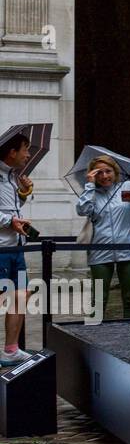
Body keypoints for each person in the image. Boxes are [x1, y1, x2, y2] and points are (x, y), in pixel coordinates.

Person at [77, 155, 130, 319]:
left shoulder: (127, 188)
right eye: (99, 172)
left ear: (115, 171)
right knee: (99, 300)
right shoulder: (92, 193)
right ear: (93, 175)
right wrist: (89, 185)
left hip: (128, 250)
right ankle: (94, 335)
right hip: (100, 251)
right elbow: (82, 210)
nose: (104, 176)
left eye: (108, 171)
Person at [0, 133, 34, 366]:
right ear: (12, 152)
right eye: (25, 149)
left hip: (17, 247)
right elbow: (6, 215)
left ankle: (11, 350)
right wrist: (9, 222)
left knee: (22, 295)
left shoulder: (13, 176)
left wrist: (23, 193)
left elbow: (11, 208)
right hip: (1, 249)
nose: (28, 154)